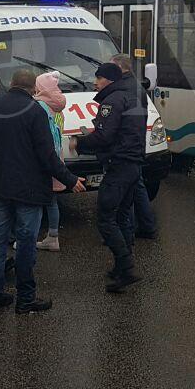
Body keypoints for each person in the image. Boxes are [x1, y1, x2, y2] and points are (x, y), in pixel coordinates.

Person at [0, 68, 84, 313]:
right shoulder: (35, 112)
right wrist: (69, 179)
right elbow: (47, 155)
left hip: (1, 187)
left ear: (11, 83)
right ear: (34, 89)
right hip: (30, 190)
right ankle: (25, 298)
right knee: (26, 241)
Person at [71, 62, 147, 293]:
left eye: (99, 78)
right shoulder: (132, 96)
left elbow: (104, 136)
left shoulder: (112, 100)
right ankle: (121, 268)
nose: (95, 83)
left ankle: (127, 267)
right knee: (123, 216)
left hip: (119, 165)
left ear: (109, 80)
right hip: (133, 164)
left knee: (105, 218)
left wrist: (79, 143)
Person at [111, 53, 158, 239]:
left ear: (120, 68)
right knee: (137, 186)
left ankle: (127, 232)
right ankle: (147, 226)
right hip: (137, 144)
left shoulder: (124, 88)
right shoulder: (136, 86)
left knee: (127, 192)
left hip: (127, 146)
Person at [33, 71, 69, 252]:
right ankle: (53, 236)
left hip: (42, 160)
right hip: (57, 157)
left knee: (37, 200)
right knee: (51, 200)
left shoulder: (39, 106)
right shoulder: (58, 107)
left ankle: (29, 238)